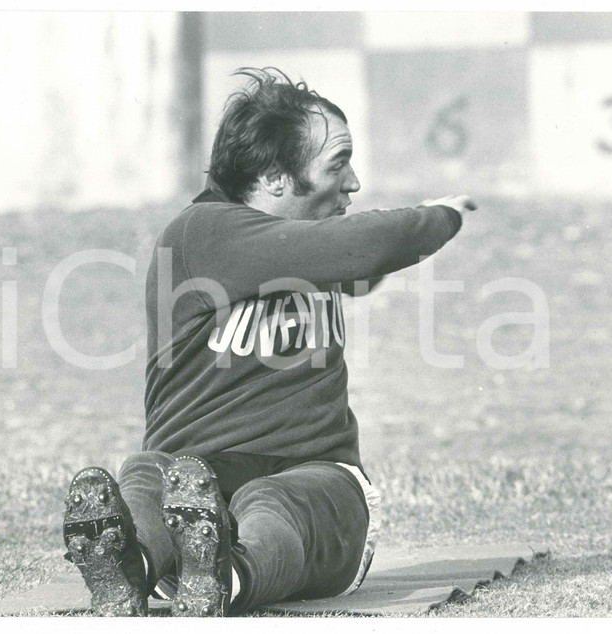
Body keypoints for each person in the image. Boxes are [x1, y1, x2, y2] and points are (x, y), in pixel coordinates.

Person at [62, 67, 476, 617]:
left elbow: (361, 263)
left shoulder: (310, 244)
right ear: (276, 177)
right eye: (338, 163)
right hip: (194, 484)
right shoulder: (202, 233)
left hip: (315, 485)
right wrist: (442, 215)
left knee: (273, 500)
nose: (353, 182)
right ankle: (129, 563)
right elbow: (368, 247)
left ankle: (219, 577)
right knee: (151, 476)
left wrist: (379, 252)